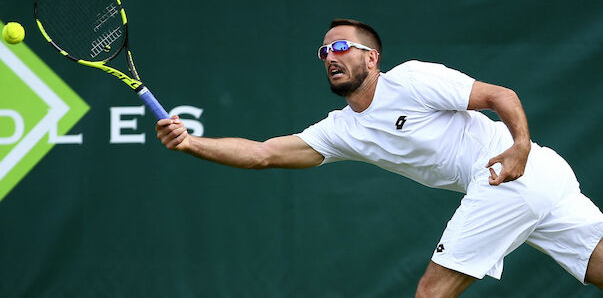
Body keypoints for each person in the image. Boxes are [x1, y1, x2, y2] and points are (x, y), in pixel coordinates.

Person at [156, 18, 603, 297]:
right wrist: (192, 142)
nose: (330, 56)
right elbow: (262, 154)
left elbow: (499, 96)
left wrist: (519, 147)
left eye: (341, 47)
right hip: (540, 179)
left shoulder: (411, 79)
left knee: (431, 294)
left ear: (372, 58)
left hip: (513, 173)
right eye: (323, 51)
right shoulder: (340, 130)